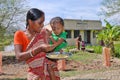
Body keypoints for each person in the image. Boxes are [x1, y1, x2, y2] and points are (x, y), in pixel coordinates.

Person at [14, 8, 61, 80]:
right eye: (40, 23)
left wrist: (56, 54)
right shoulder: (20, 34)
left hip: (51, 73)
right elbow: (19, 57)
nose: (42, 25)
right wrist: (40, 49)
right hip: (35, 76)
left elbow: (49, 53)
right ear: (30, 21)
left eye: (43, 22)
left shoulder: (43, 33)